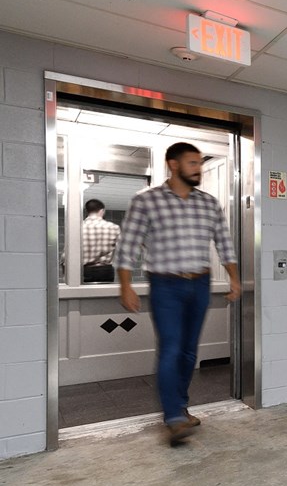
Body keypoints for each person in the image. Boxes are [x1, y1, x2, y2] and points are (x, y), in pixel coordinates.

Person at [114, 142, 241, 445]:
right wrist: (125, 285)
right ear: (174, 164)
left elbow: (224, 243)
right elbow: (127, 245)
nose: (198, 169)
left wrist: (235, 279)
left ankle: (181, 407)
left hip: (200, 284)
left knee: (189, 351)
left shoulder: (209, 203)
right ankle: (173, 417)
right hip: (165, 285)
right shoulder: (147, 200)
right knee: (171, 348)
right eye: (193, 163)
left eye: (200, 164)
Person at [81, 199, 120, 283]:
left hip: (84, 270)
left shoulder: (78, 227)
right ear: (102, 211)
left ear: (87, 211)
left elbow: (66, 255)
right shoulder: (113, 227)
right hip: (105, 270)